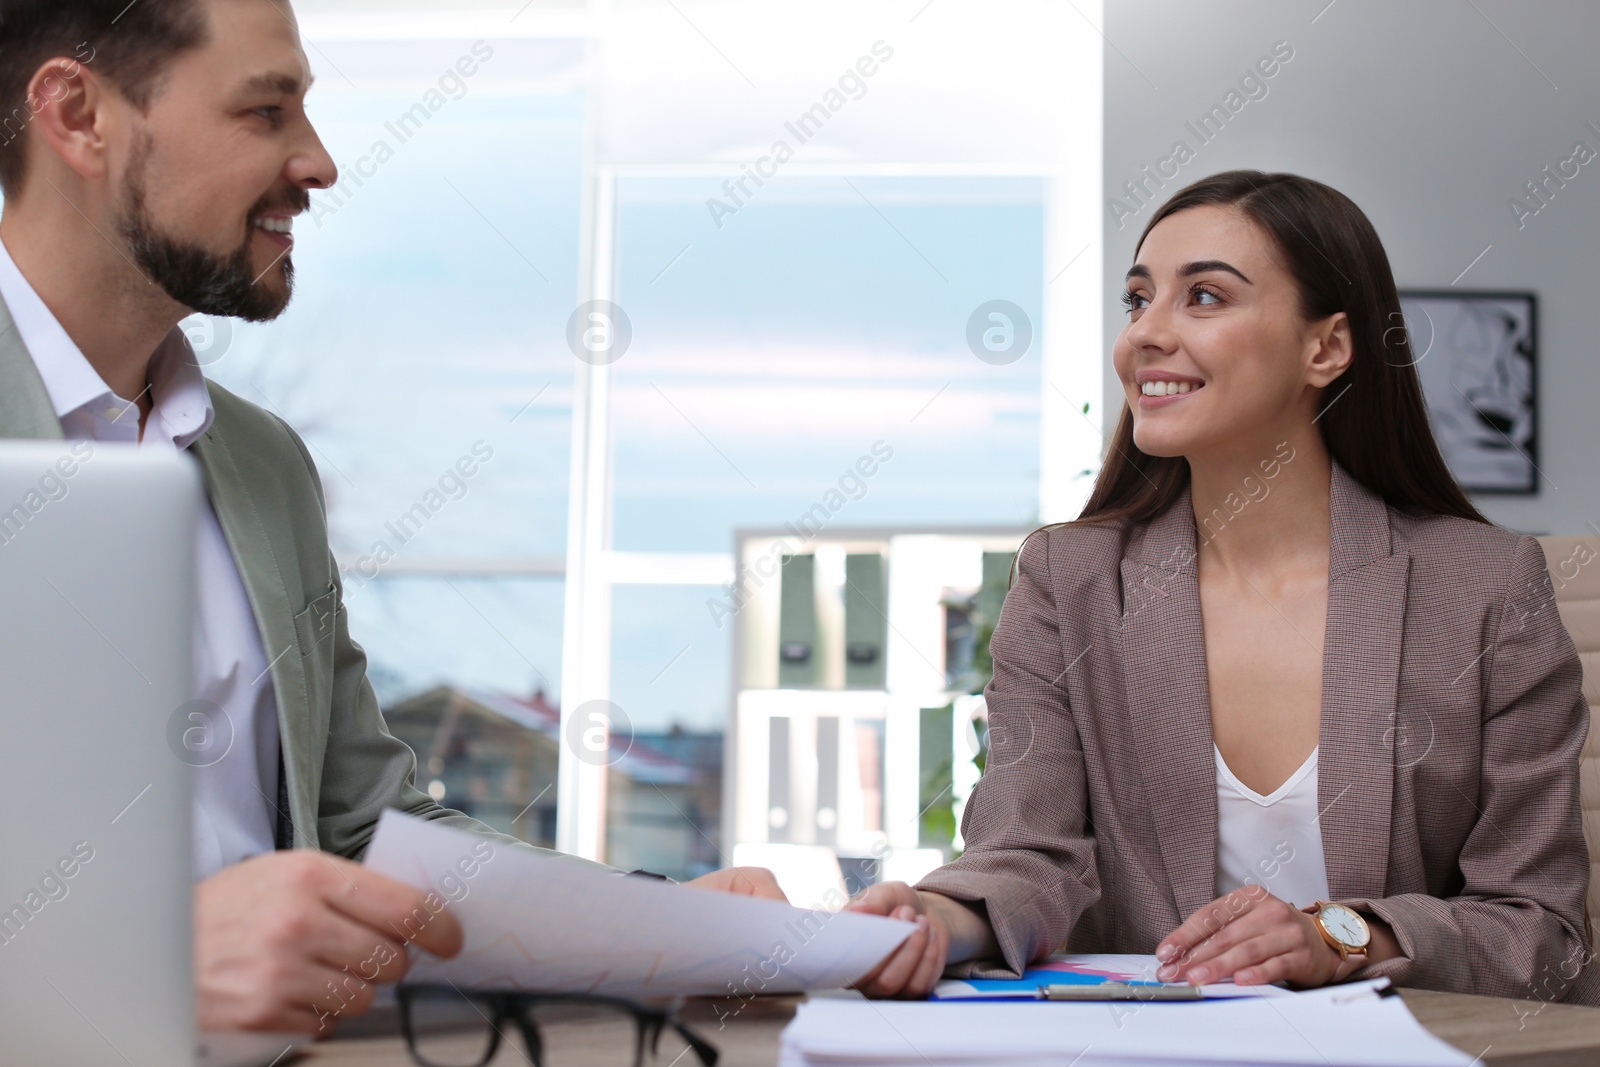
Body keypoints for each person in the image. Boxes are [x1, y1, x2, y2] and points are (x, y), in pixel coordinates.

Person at [0, 0, 782, 1036]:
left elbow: (364, 828)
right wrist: (132, 961)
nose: (318, 163)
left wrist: (658, 918)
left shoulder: (261, 465)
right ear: (77, 114)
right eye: (265, 111)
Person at [849, 170, 1597, 1005]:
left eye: (1204, 296)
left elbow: (1542, 930)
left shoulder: (1487, 588)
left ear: (1327, 347)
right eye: (1139, 300)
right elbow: (1029, 854)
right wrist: (932, 916)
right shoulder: (1070, 581)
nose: (1145, 335)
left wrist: (1337, 935)